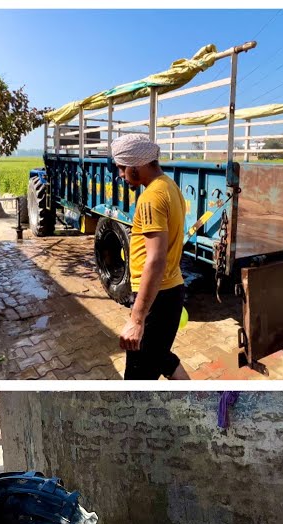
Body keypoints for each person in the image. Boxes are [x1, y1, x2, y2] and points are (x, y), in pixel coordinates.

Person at [110, 133, 191, 381]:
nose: (121, 175)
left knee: (137, 378)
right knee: (160, 356)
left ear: (137, 164)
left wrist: (137, 319)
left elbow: (155, 260)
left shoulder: (150, 199)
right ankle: (198, 394)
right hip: (170, 291)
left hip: (159, 298)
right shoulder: (169, 186)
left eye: (123, 168)